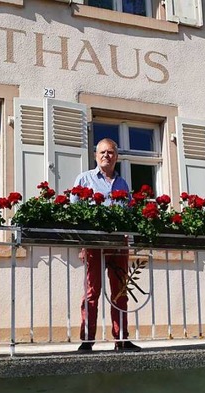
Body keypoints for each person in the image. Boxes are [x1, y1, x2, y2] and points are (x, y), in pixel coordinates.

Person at [73, 138, 141, 352]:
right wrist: (81, 244)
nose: (106, 156)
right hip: (94, 245)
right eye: (102, 152)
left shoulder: (123, 183)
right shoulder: (84, 179)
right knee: (92, 292)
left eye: (110, 152)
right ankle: (87, 340)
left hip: (119, 245)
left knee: (120, 292)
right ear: (95, 155)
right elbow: (75, 214)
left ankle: (121, 338)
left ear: (116, 157)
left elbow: (128, 214)